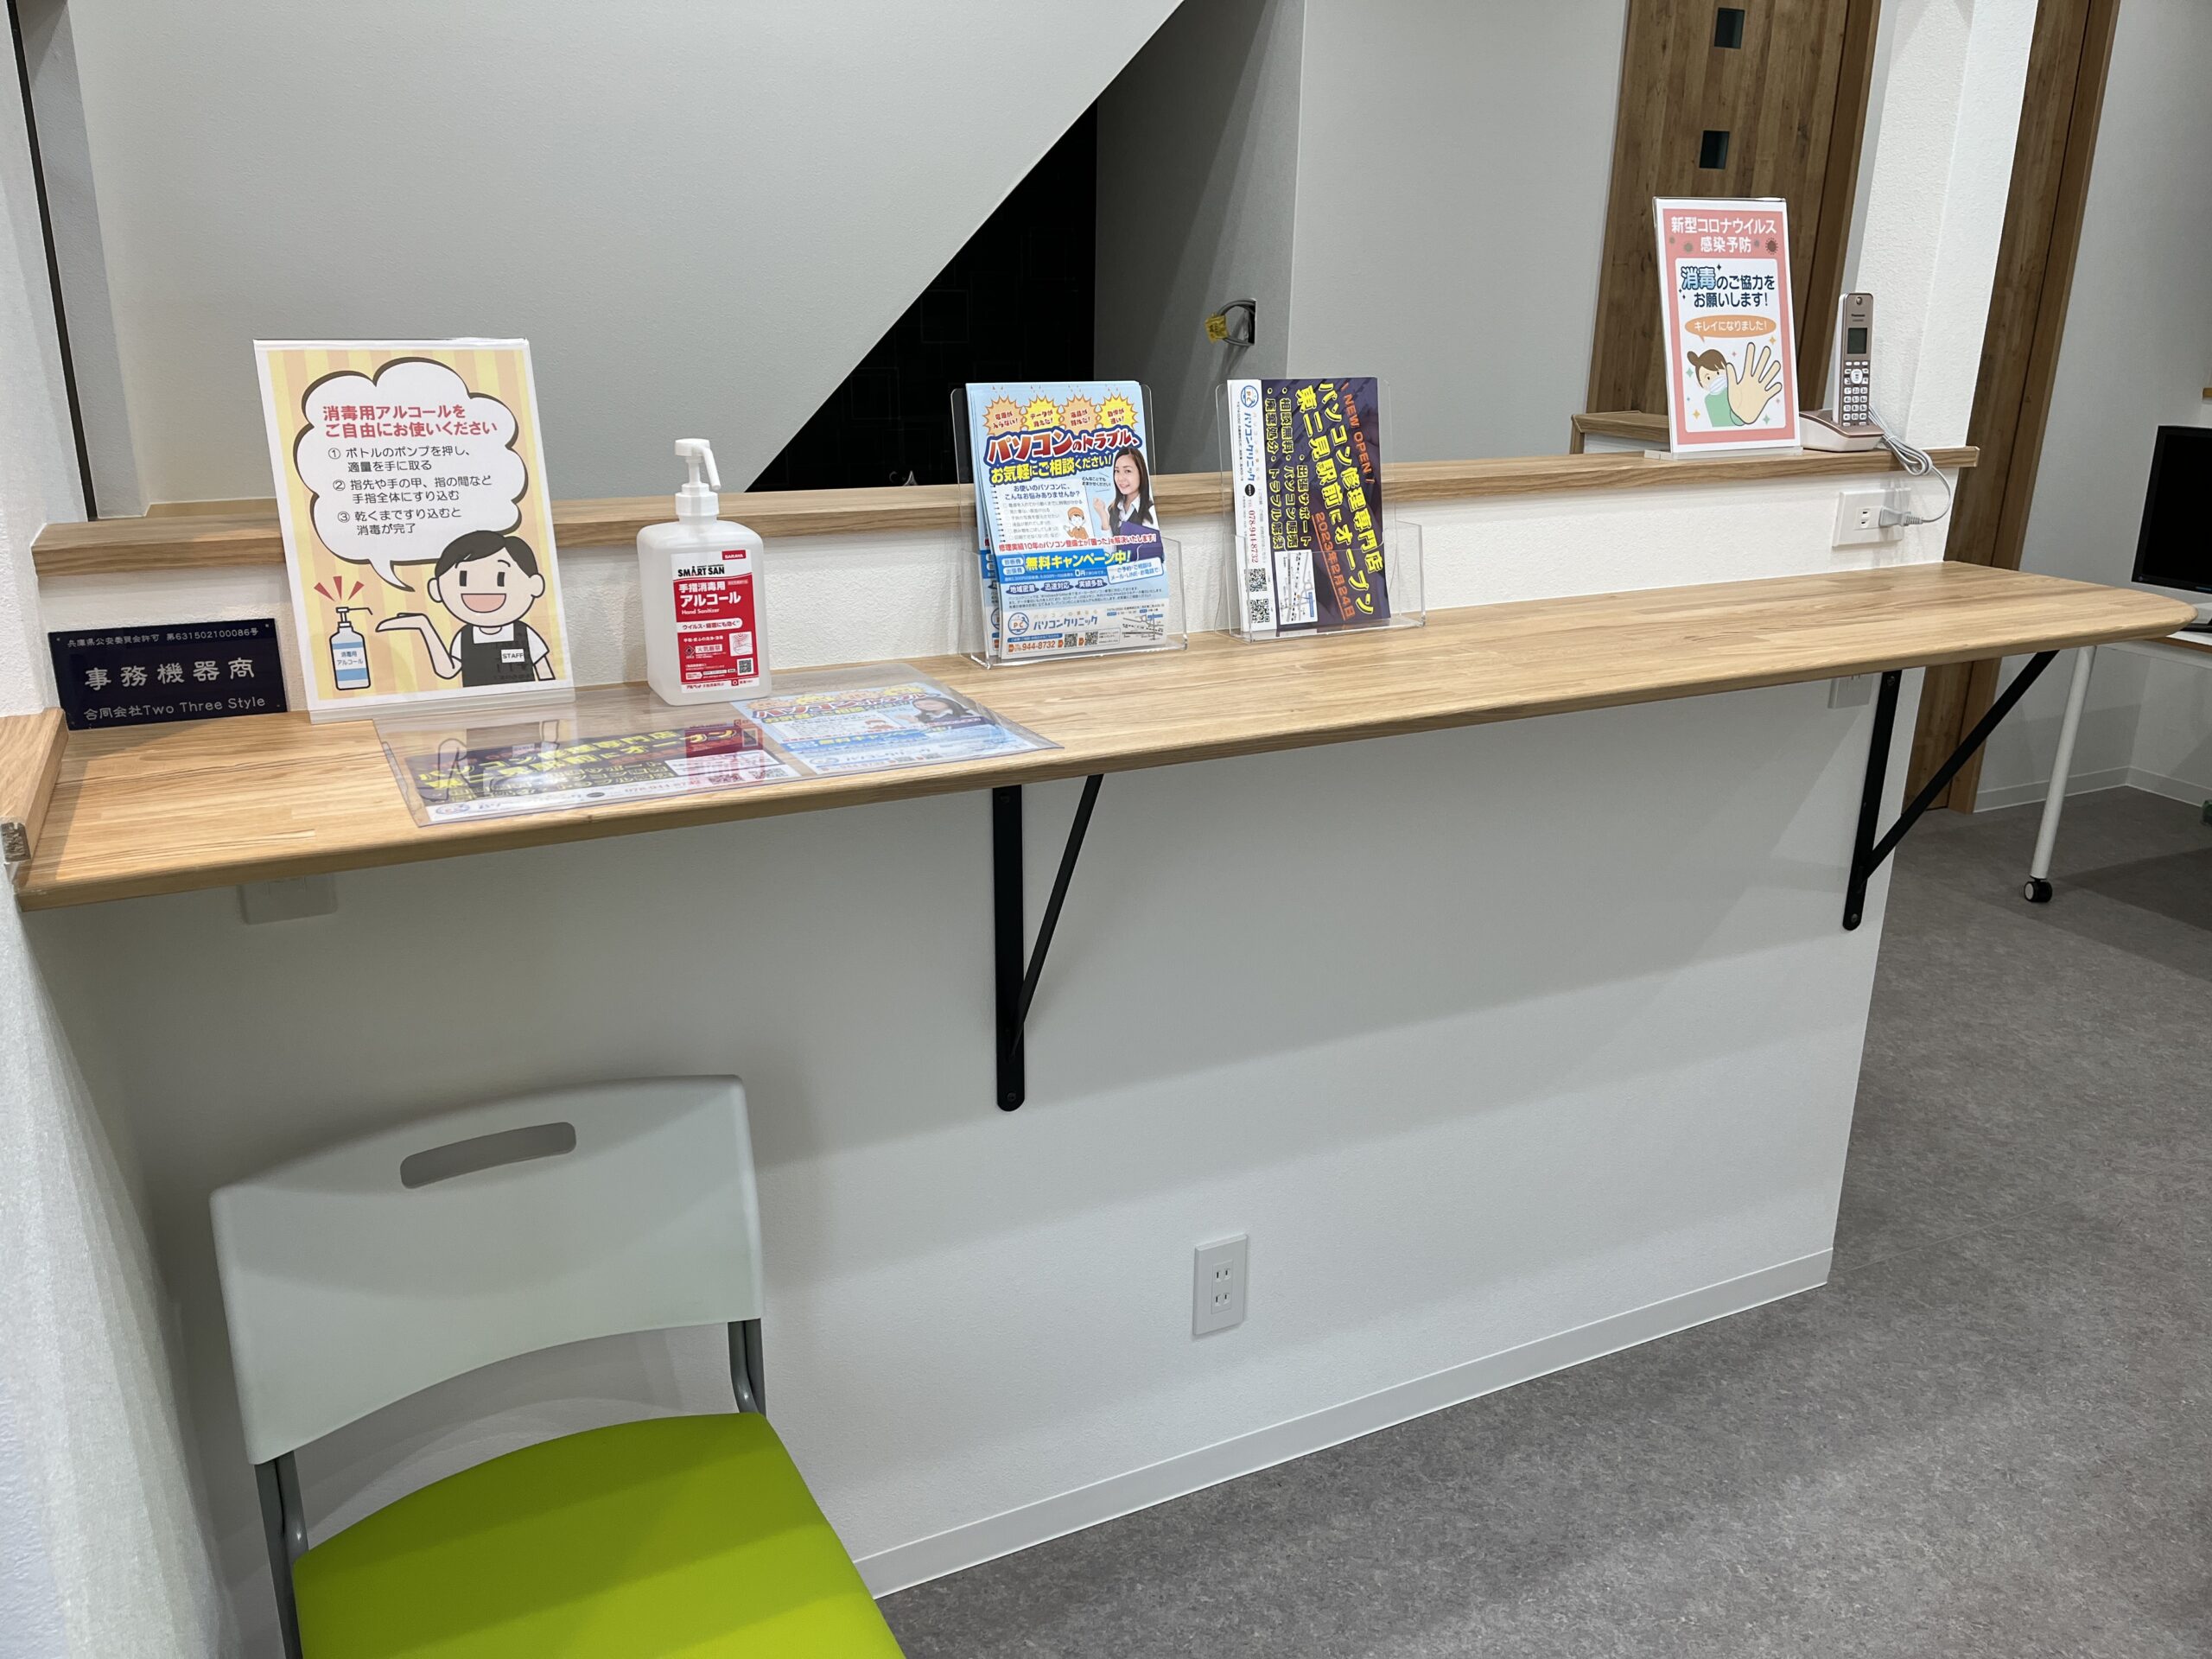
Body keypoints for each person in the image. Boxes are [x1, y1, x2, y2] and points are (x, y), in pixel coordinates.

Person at [378, 530, 556, 687]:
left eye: (500, 578)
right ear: (436, 589)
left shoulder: (524, 633)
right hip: (477, 710)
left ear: (535, 585)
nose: (482, 590)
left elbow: (545, 673)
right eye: (463, 579)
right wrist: (424, 626)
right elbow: (447, 671)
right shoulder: (465, 636)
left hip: (523, 706)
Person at [1686, 342, 1783, 429]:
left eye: (1718, 373)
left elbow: (1736, 420)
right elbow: (1719, 423)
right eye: (1708, 378)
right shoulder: (1708, 400)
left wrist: (1743, 414)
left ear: (1726, 369)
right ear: (1701, 383)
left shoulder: (1734, 391)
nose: (1716, 379)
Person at [1092, 444, 1164, 559]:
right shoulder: (1114, 508)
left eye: (1127, 471)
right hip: (1120, 569)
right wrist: (1103, 516)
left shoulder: (1150, 510)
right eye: (1117, 471)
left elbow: (1154, 555)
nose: (1120, 478)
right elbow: (1110, 554)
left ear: (1141, 473)